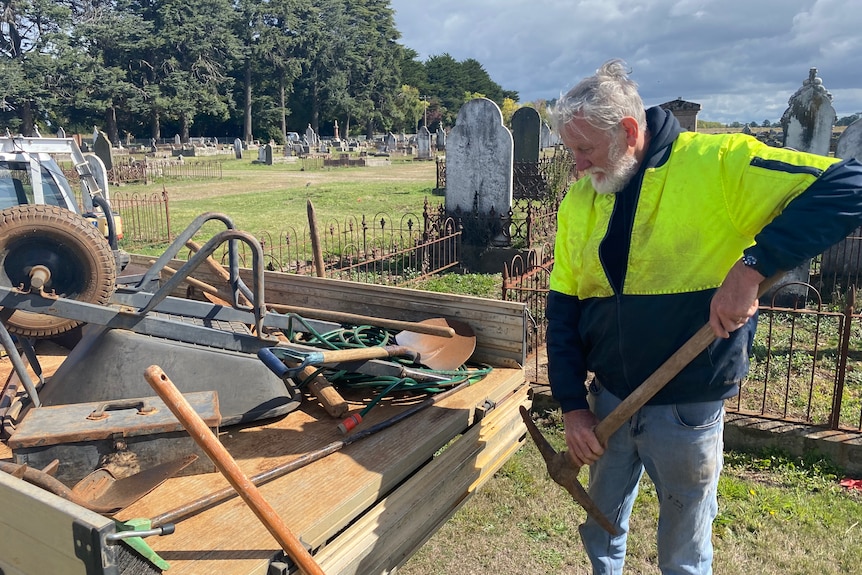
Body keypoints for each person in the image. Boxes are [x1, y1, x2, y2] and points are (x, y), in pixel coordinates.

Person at [546, 58, 862, 575]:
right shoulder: (582, 199)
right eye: (570, 151)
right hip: (608, 404)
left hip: (686, 405)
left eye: (583, 149)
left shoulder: (718, 164)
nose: (577, 166)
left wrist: (751, 268)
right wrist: (572, 406)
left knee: (684, 547)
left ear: (628, 132)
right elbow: (563, 310)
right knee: (601, 528)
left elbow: (850, 185)